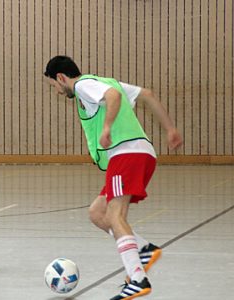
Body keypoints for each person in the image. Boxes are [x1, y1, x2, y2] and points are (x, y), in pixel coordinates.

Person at [43, 56, 183, 299]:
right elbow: (147, 94)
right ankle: (144, 249)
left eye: (54, 85)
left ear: (61, 78)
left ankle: (138, 279)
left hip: (126, 152)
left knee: (115, 216)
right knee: (98, 212)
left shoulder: (83, 86)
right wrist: (170, 128)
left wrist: (107, 127)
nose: (56, 91)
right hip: (139, 153)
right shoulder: (105, 81)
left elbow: (113, 98)